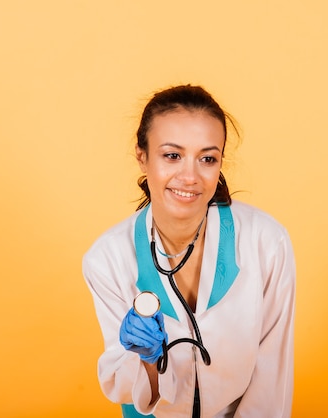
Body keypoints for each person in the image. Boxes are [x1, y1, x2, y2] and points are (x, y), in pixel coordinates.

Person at [82, 84, 296, 418]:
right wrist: (147, 362)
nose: (190, 176)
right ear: (142, 156)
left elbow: (272, 378)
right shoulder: (107, 259)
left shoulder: (266, 242)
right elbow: (122, 387)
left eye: (207, 158)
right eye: (172, 155)